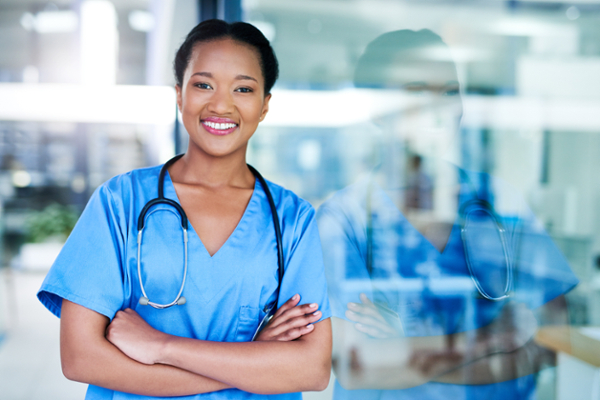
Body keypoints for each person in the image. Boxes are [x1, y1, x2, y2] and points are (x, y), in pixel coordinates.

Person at [37, 19, 332, 399]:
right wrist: (255, 360)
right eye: (203, 85)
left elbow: (311, 369)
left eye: (243, 88)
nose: (221, 104)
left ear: (264, 105)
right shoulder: (119, 202)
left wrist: (162, 347)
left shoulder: (292, 219)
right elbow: (80, 358)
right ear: (179, 95)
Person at [317, 29, 578, 400]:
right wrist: (495, 339)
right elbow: (361, 367)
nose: (438, 107)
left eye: (450, 91)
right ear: (375, 107)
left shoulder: (499, 201)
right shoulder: (343, 221)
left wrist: (408, 348)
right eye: (416, 90)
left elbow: (554, 338)